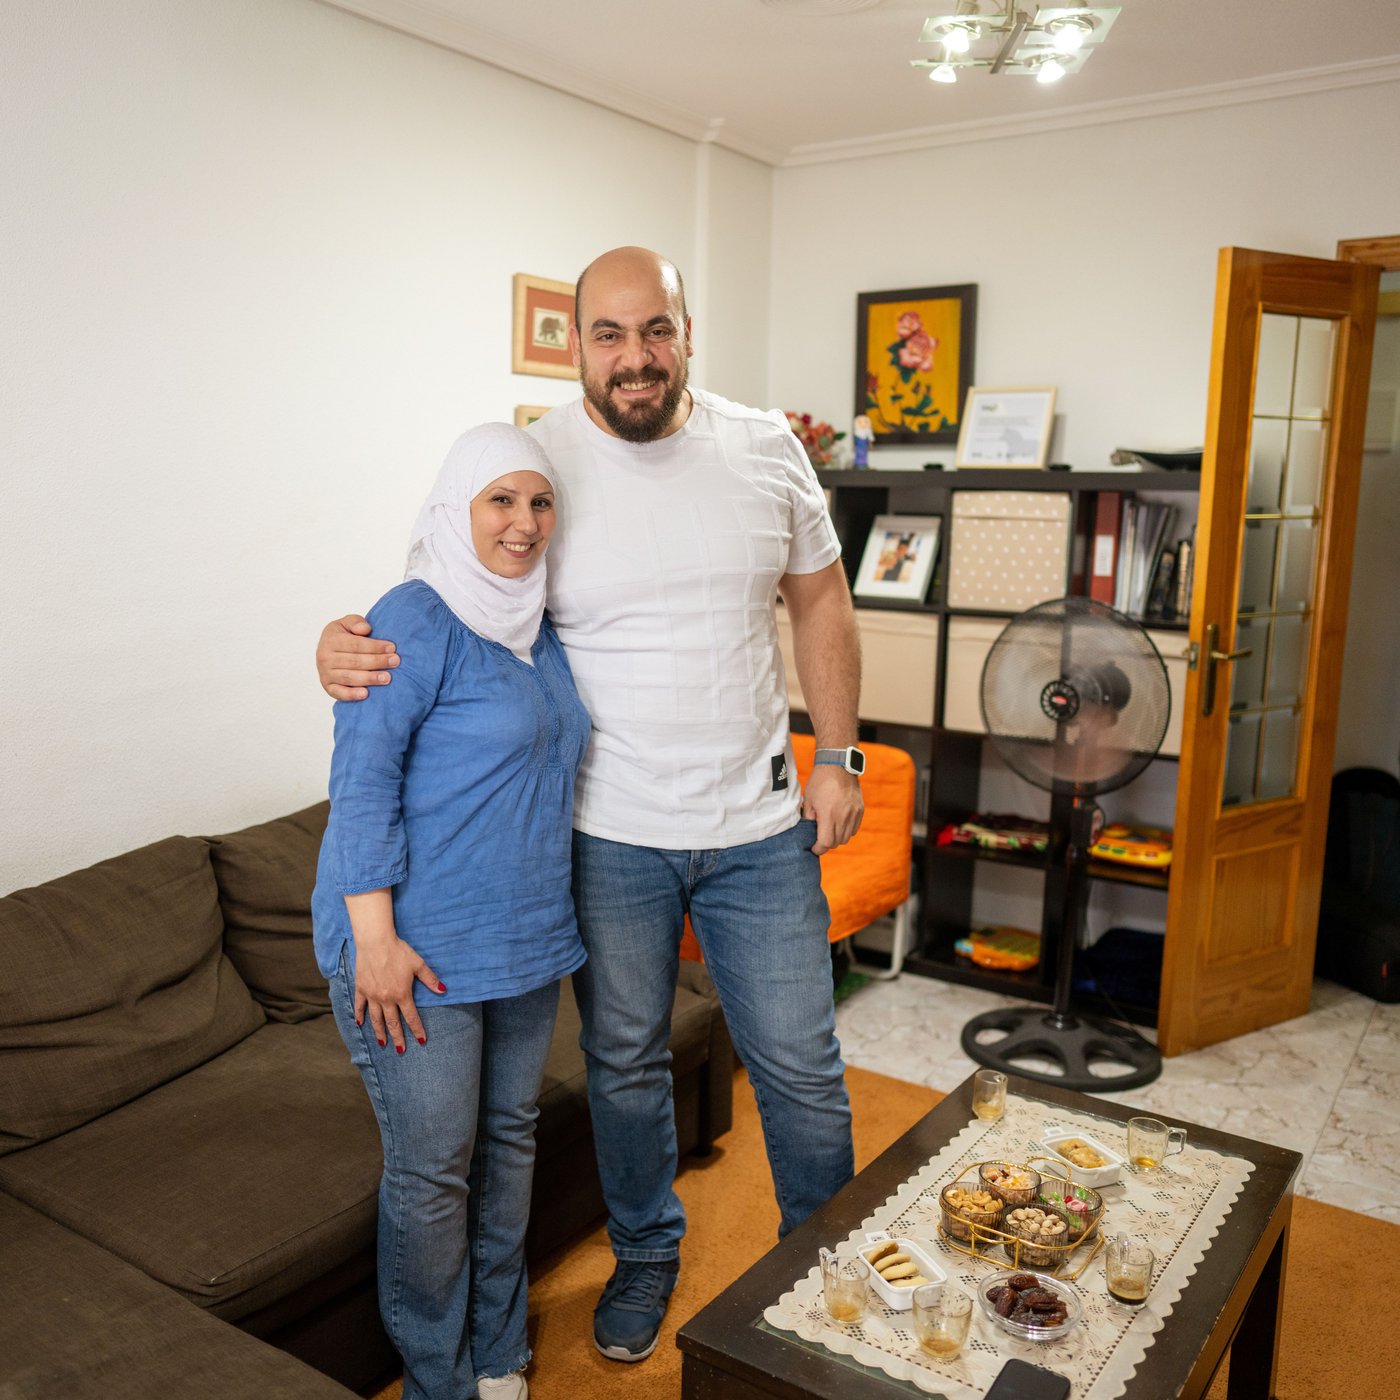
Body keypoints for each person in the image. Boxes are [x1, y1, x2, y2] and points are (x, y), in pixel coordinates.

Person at [316, 246, 864, 1365]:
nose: (633, 356)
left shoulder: (766, 450)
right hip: (606, 832)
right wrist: (340, 644)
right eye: (606, 334)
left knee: (802, 1063)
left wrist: (840, 755)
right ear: (575, 344)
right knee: (621, 1059)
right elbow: (441, 601)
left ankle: (826, 1270)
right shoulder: (538, 461)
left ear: (685, 330)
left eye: (652, 329)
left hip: (759, 827)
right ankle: (646, 1252)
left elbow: (821, 602)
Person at [312, 423, 589, 1400]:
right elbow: (361, 782)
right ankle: (438, 1376)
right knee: (434, 1172)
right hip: (413, 950)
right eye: (499, 500)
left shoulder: (541, 620)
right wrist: (374, 940)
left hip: (521, 941)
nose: (522, 523)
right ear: (454, 507)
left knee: (509, 1144)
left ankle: (501, 1348)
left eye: (538, 501)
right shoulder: (413, 615)